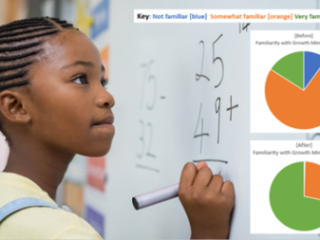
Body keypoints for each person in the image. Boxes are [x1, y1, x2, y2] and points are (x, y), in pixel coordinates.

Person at [0, 17, 235, 239]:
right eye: (81, 79)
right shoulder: (64, 234)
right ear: (17, 107)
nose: (107, 97)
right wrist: (207, 232)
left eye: (103, 81)